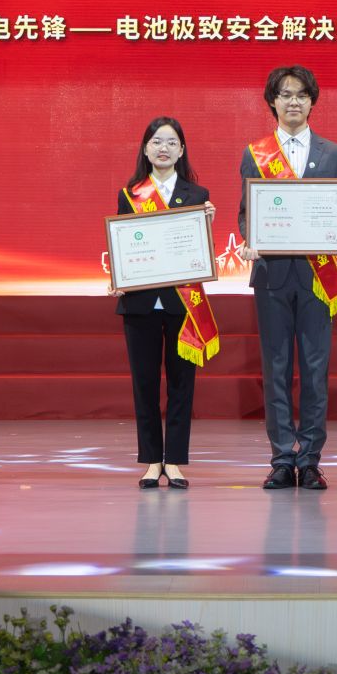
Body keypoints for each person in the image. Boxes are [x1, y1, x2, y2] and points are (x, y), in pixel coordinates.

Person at [235, 65, 337, 490]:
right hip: (271, 274)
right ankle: (281, 458)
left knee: (315, 368)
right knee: (275, 368)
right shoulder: (255, 154)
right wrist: (250, 238)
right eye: (285, 94)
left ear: (312, 101)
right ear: (272, 101)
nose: (293, 101)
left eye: (301, 95)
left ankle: (309, 459)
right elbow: (246, 213)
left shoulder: (334, 153)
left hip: (316, 277)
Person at [112, 117, 219, 489]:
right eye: (157, 141)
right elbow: (125, 245)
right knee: (144, 385)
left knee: (181, 385)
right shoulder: (130, 194)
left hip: (181, 303)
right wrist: (119, 277)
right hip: (139, 303)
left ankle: (173, 461)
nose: (163, 148)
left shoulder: (198, 194)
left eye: (171, 142)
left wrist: (207, 226)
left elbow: (200, 252)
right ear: (145, 148)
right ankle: (150, 462)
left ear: (181, 150)